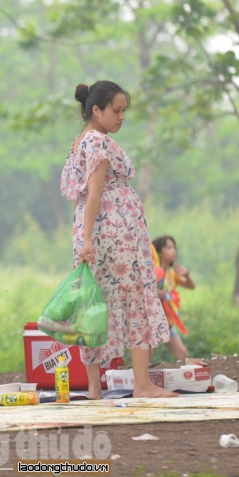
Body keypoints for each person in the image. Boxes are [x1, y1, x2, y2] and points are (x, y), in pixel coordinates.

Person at [60, 80, 176, 400]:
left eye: (124, 111)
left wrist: (81, 239)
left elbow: (78, 196)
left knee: (93, 305)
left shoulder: (80, 141)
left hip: (93, 233)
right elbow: (94, 193)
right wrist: (87, 239)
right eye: (116, 110)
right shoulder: (98, 142)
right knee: (137, 297)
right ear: (96, 110)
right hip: (115, 233)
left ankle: (95, 388)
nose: (121, 116)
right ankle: (142, 385)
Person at [152, 235, 196, 362]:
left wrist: (187, 275)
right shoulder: (153, 273)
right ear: (159, 252)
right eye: (169, 247)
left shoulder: (172, 274)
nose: (174, 251)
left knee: (183, 355)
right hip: (153, 324)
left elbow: (191, 286)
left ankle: (183, 379)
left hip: (168, 324)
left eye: (174, 248)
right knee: (146, 358)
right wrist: (156, 294)